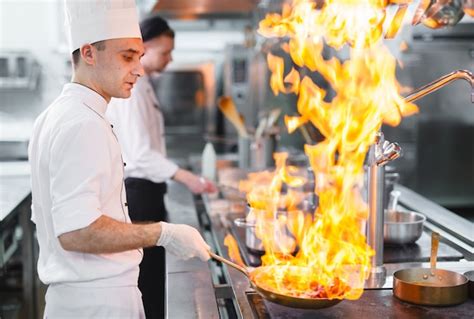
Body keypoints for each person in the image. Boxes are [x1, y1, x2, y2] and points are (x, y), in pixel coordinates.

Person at [28, 1, 210, 317]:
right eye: (127, 57)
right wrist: (164, 234)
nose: (138, 69)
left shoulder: (62, 114)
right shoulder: (82, 124)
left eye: (139, 57)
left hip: (86, 298)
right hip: (97, 304)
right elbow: (77, 232)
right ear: (88, 53)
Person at [106, 15, 216, 318]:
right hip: (138, 194)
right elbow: (140, 155)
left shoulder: (144, 86)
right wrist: (187, 178)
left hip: (148, 191)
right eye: (165, 52)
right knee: (147, 278)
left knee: (153, 274)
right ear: (145, 48)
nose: (170, 59)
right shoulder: (133, 91)